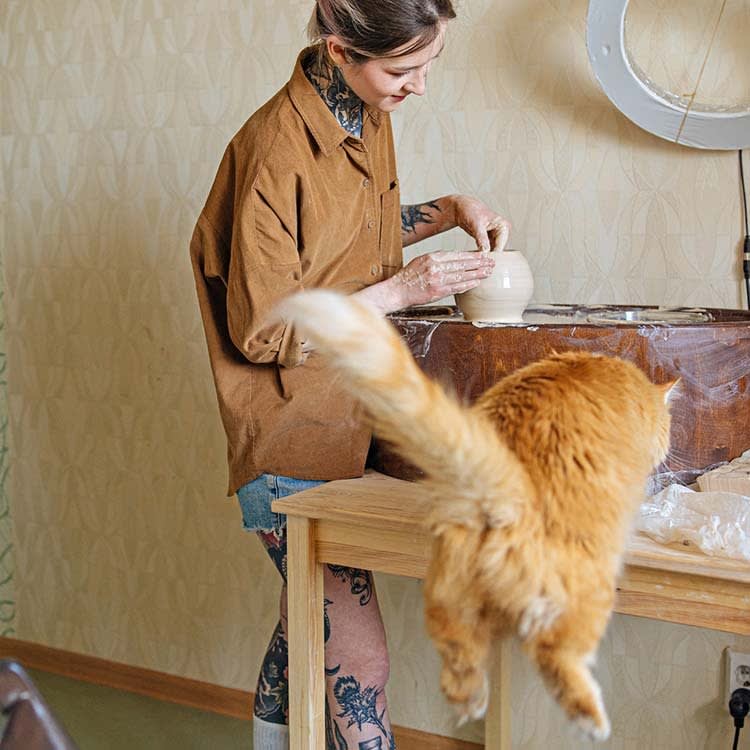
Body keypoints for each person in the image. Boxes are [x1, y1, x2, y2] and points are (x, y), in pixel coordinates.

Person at [190, 1, 511, 747]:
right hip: (289, 438)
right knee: (358, 660)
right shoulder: (273, 148)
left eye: (429, 65)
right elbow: (266, 327)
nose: (419, 86)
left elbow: (351, 235)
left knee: (305, 625)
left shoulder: (366, 109)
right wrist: (404, 291)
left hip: (348, 422)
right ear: (338, 50)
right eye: (403, 70)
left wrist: (448, 207)